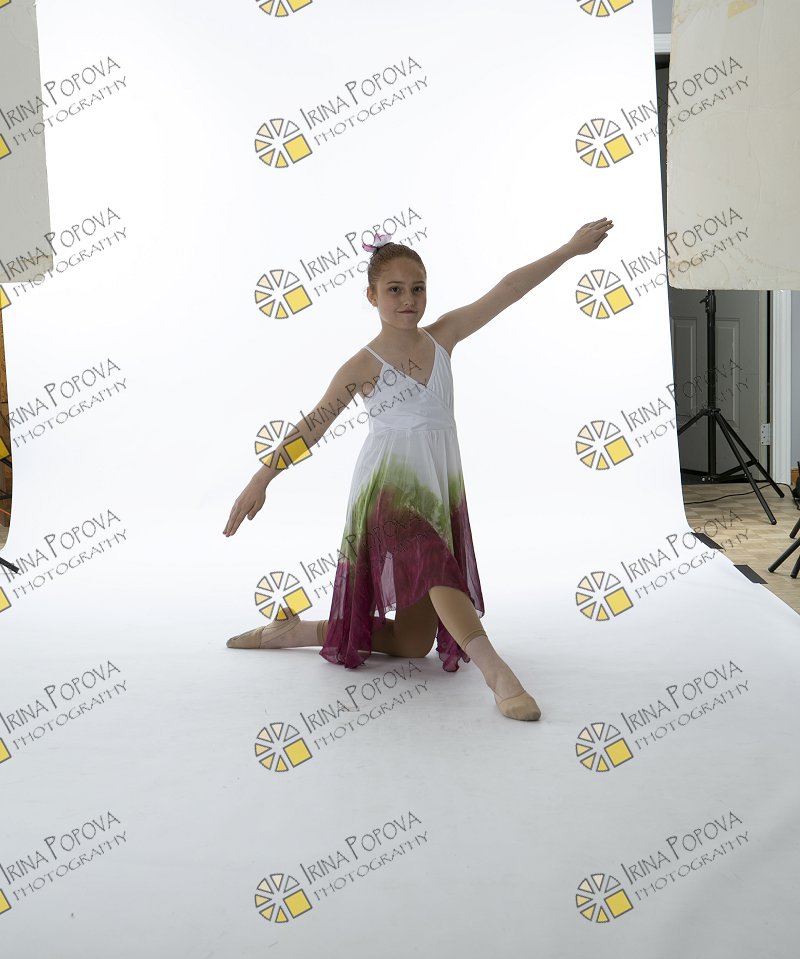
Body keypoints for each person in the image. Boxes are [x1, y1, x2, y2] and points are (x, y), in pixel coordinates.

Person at [223, 217, 613, 721]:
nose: (407, 299)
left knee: (412, 643)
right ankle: (499, 674)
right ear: (371, 297)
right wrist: (262, 477)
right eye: (394, 290)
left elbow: (508, 290)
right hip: (387, 491)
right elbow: (313, 425)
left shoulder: (443, 338)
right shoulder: (362, 365)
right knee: (432, 564)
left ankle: (296, 631)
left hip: (436, 487)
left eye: (417, 288)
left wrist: (569, 249)